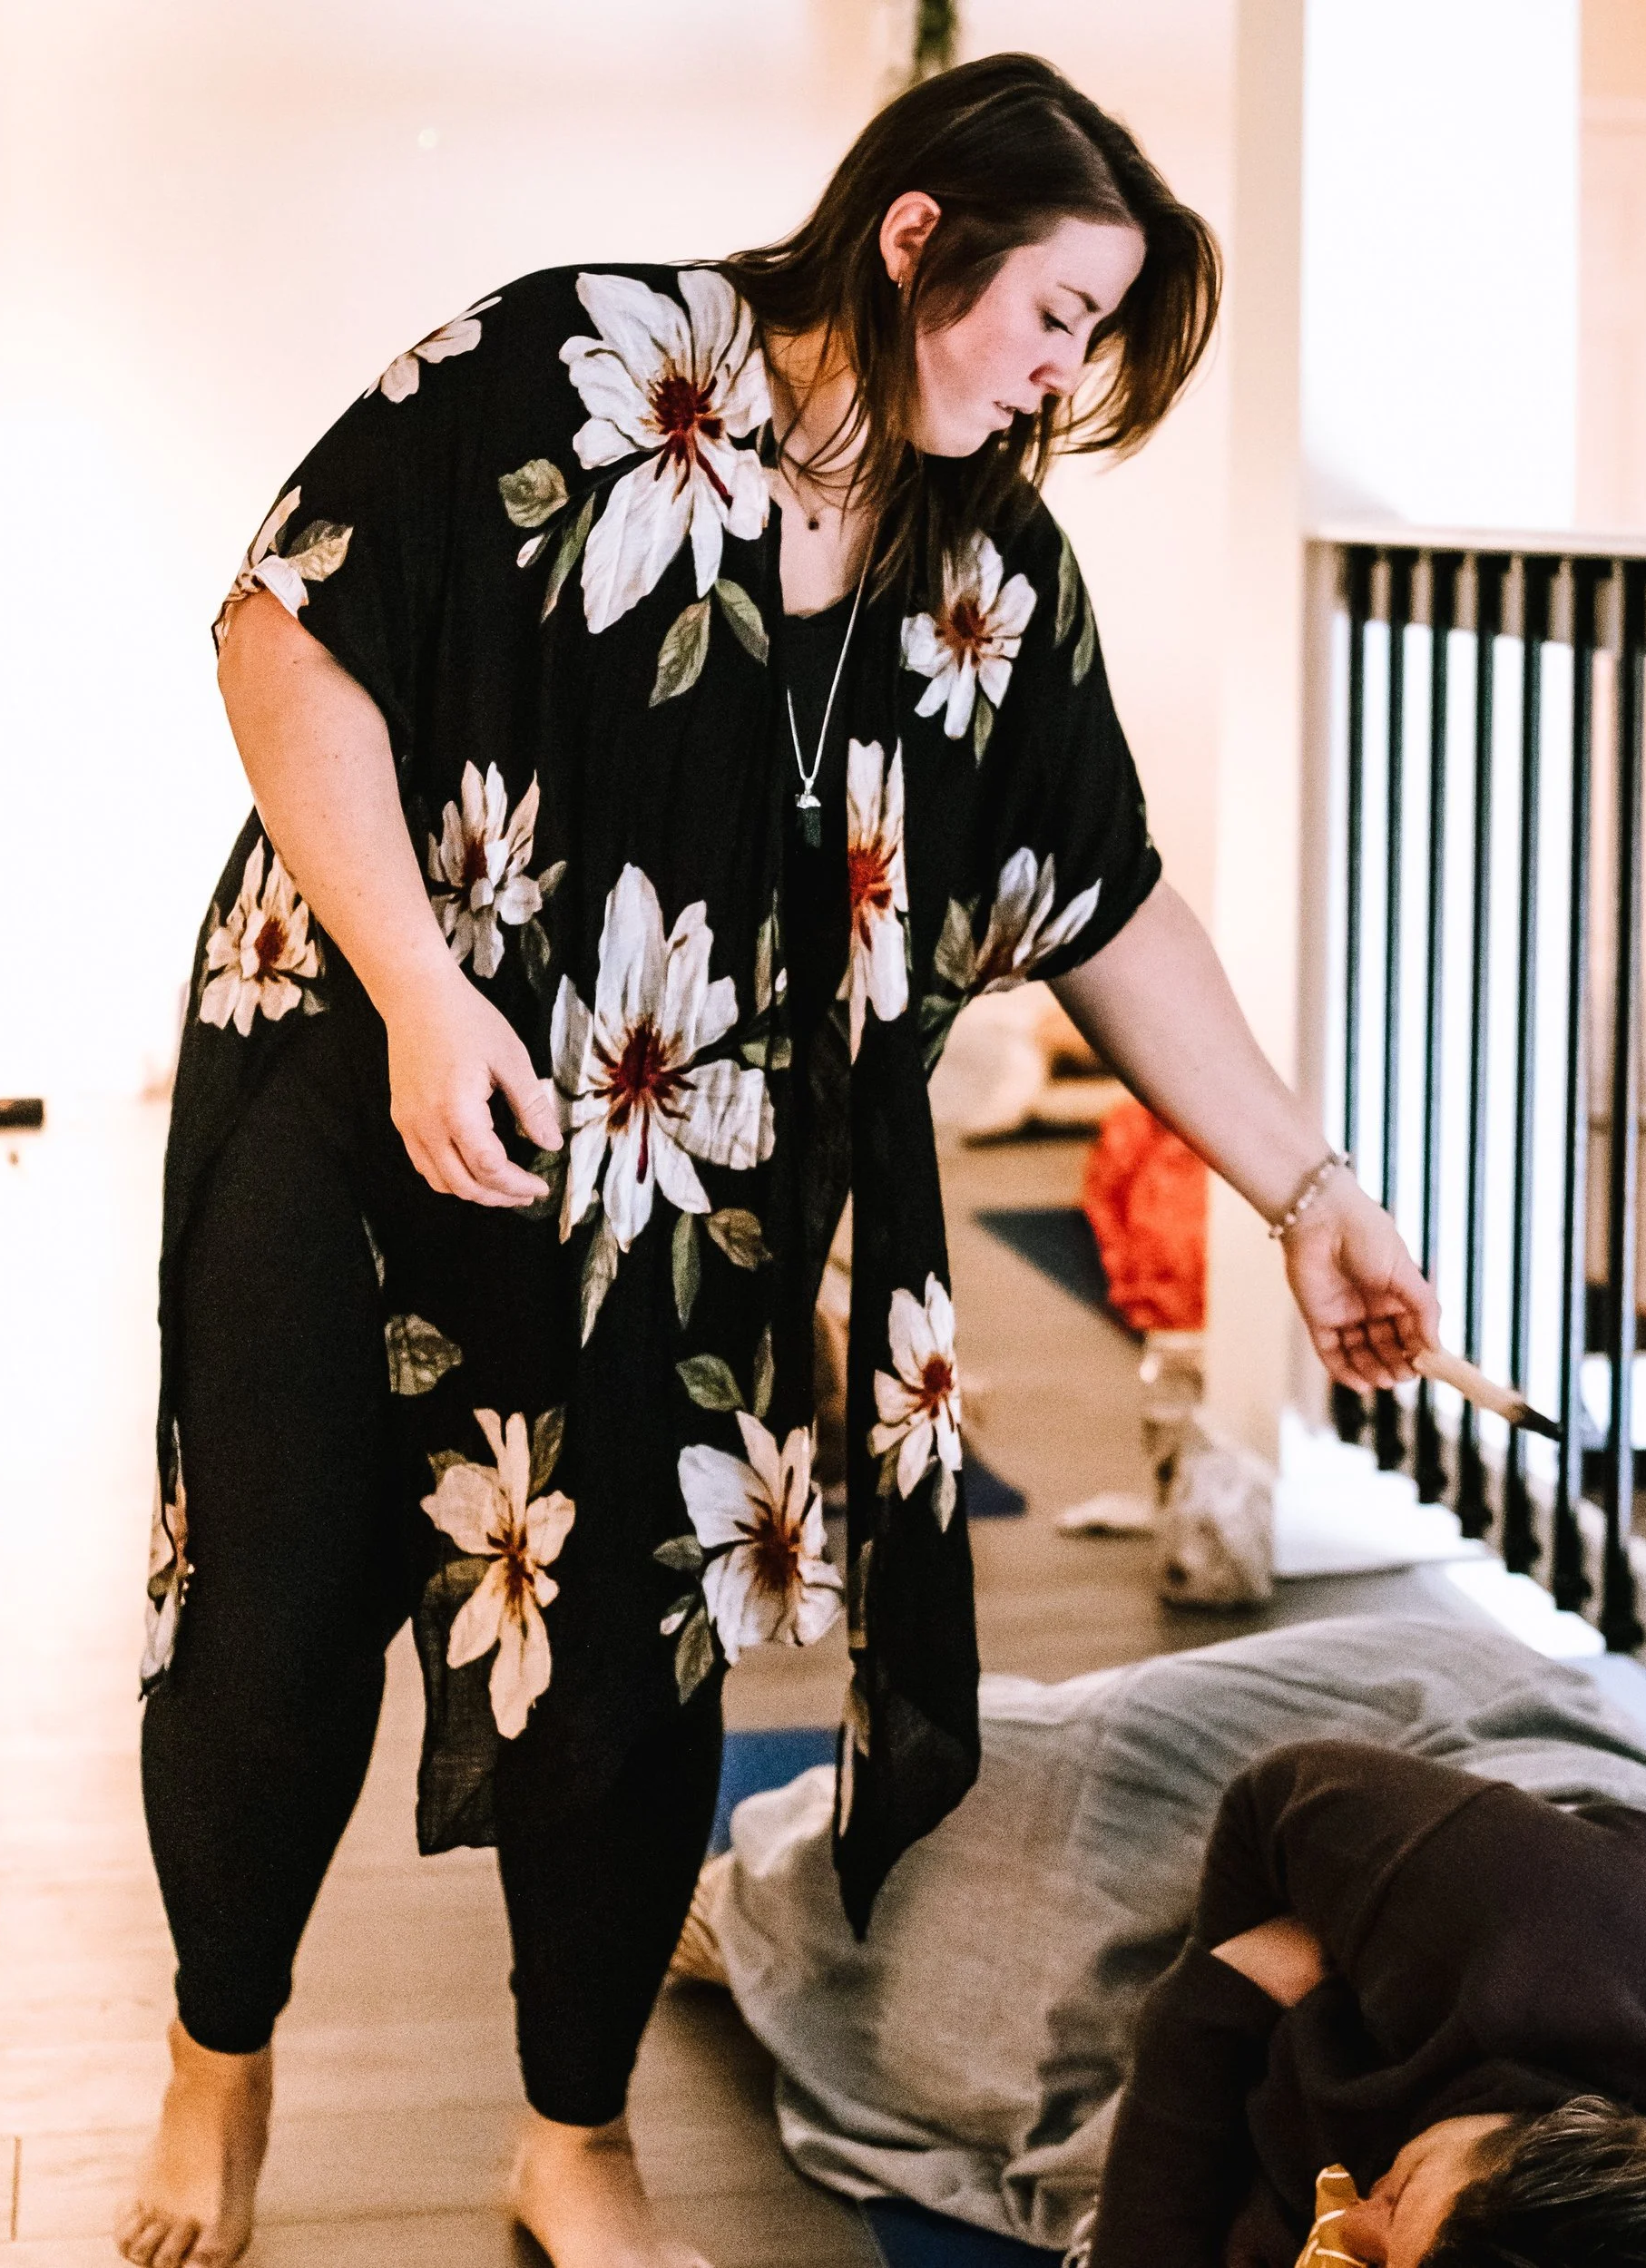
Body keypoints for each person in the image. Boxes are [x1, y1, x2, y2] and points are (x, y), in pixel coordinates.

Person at [119, 53, 1440, 2268]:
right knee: (275, 1620)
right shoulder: (572, 366)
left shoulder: (983, 571)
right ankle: (217, 2054)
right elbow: (282, 629)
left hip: (676, 1178)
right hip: (350, 1065)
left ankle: (568, 2129)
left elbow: (1105, 902)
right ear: (918, 235)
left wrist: (1306, 1197)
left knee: (631, 1663)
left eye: (1099, 343)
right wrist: (431, 993)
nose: (1065, 378)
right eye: (1055, 316)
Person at [693, 1616, 1646, 2268]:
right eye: (1404, 2200)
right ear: (1525, 2135)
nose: (1363, 2221)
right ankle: (741, 1905)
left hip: (1430, 1971)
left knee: (1173, 2141)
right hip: (1438, 1754)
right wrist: (1225, 1982)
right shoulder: (1518, 1906)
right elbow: (1270, 1802)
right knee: (1003, 1793)